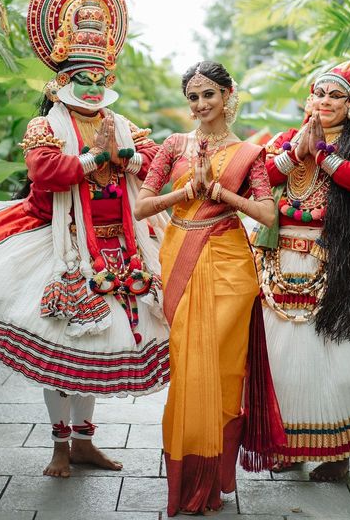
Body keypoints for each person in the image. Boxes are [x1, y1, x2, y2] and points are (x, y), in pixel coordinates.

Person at [0, 0, 169, 478]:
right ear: (61, 80)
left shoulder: (122, 124)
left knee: (97, 347)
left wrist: (130, 156)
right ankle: (57, 447)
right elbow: (46, 175)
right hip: (60, 245)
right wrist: (98, 159)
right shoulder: (44, 126)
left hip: (121, 245)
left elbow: (153, 158)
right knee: (62, 348)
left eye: (99, 79)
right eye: (82, 79)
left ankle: (85, 443)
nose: (92, 87)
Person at [135, 61, 286, 516]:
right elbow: (143, 206)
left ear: (226, 96)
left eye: (208, 96)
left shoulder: (248, 154)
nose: (200, 106)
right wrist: (184, 194)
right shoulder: (173, 145)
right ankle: (188, 483)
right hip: (181, 256)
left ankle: (215, 483)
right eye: (193, 98)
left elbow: (267, 215)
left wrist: (222, 193)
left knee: (222, 374)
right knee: (187, 369)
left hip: (228, 266)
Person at [253, 55, 350, 481]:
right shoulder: (289, 138)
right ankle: (289, 446)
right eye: (318, 93)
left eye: (334, 95)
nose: (324, 100)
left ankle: (338, 451)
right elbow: (261, 178)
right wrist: (295, 154)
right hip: (280, 263)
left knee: (339, 359)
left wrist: (323, 155)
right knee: (281, 359)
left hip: (342, 266)